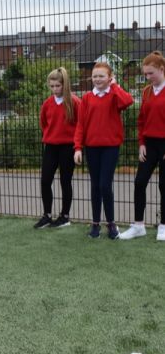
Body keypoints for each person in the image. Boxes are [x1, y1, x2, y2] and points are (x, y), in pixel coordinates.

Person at [74, 62, 133, 239]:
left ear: (109, 77)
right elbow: (80, 125)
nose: (97, 79)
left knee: (105, 185)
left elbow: (128, 101)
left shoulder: (114, 95)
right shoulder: (86, 98)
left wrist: (115, 86)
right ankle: (95, 223)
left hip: (110, 147)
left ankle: (111, 224)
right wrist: (78, 147)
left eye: (101, 76)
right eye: (95, 76)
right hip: (92, 148)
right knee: (95, 186)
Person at [119, 51, 165, 241]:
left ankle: (163, 226)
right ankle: (138, 226)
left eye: (150, 73)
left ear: (162, 69)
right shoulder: (146, 91)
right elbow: (141, 121)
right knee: (139, 182)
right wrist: (141, 144)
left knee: (164, 185)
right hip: (149, 144)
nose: (147, 77)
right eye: (145, 74)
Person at [34, 67, 81, 229]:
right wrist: (51, 135)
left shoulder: (75, 102)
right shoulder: (47, 104)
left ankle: (64, 216)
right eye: (52, 86)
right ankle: (47, 215)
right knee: (45, 180)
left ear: (64, 85)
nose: (55, 89)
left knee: (65, 181)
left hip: (68, 147)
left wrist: (78, 147)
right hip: (51, 147)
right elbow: (43, 123)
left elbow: (81, 125)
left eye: (58, 86)